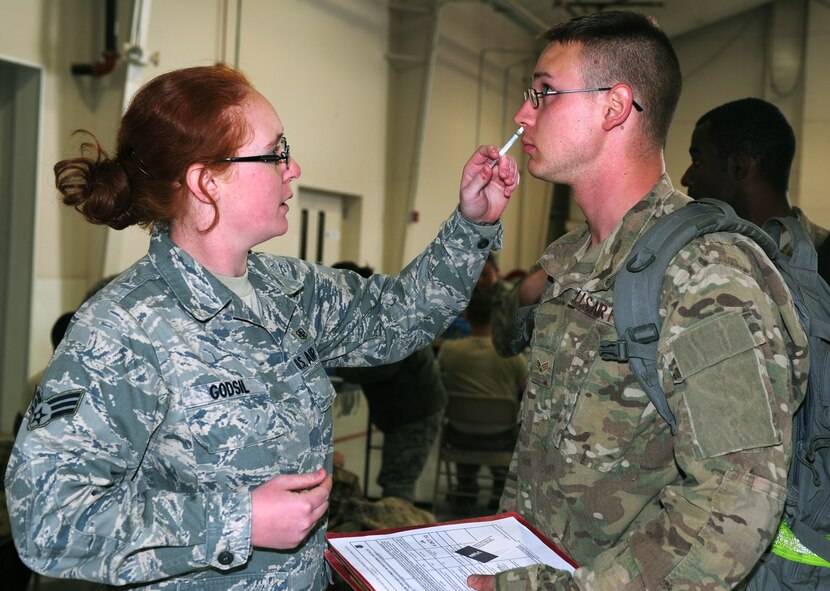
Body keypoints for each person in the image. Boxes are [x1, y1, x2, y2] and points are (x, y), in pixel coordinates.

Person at [4, 64, 519, 590]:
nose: (293, 170)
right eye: (276, 153)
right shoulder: (122, 329)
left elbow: (399, 318)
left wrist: (471, 225)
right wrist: (238, 520)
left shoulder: (288, 291)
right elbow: (49, 521)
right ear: (207, 181)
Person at [467, 11, 808, 591]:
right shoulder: (570, 258)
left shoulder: (708, 276)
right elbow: (505, 338)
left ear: (614, 107)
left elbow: (733, 508)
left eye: (544, 93)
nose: (523, 115)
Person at [681, 97, 828, 248]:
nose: (686, 179)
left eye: (697, 161)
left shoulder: (824, 259)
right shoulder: (700, 250)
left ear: (738, 167)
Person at [437, 290, 527, 512]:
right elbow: (525, 390)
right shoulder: (512, 355)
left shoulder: (449, 350)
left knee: (462, 422)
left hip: (460, 436)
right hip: (501, 437)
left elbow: (441, 385)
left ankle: (466, 487)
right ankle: (499, 488)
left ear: (466, 316)